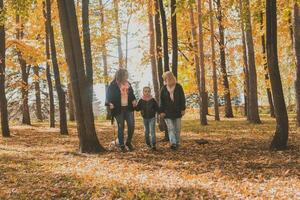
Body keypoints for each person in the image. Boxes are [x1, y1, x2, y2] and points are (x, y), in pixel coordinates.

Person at [106, 69, 137, 152]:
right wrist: (110, 104)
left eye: (127, 75)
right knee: (121, 126)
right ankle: (121, 145)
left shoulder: (128, 84)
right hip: (118, 109)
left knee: (131, 125)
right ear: (120, 75)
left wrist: (134, 100)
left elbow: (132, 94)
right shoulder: (113, 85)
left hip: (128, 108)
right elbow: (108, 97)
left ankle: (128, 142)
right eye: (125, 75)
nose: (127, 76)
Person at [159, 71, 186, 150]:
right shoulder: (163, 89)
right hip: (167, 112)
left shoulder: (178, 87)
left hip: (177, 111)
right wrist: (161, 111)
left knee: (177, 128)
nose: (168, 79)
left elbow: (182, 98)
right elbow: (161, 101)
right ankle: (173, 143)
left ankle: (177, 142)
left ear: (172, 77)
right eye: (166, 78)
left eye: (170, 77)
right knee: (171, 128)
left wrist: (183, 109)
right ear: (165, 79)